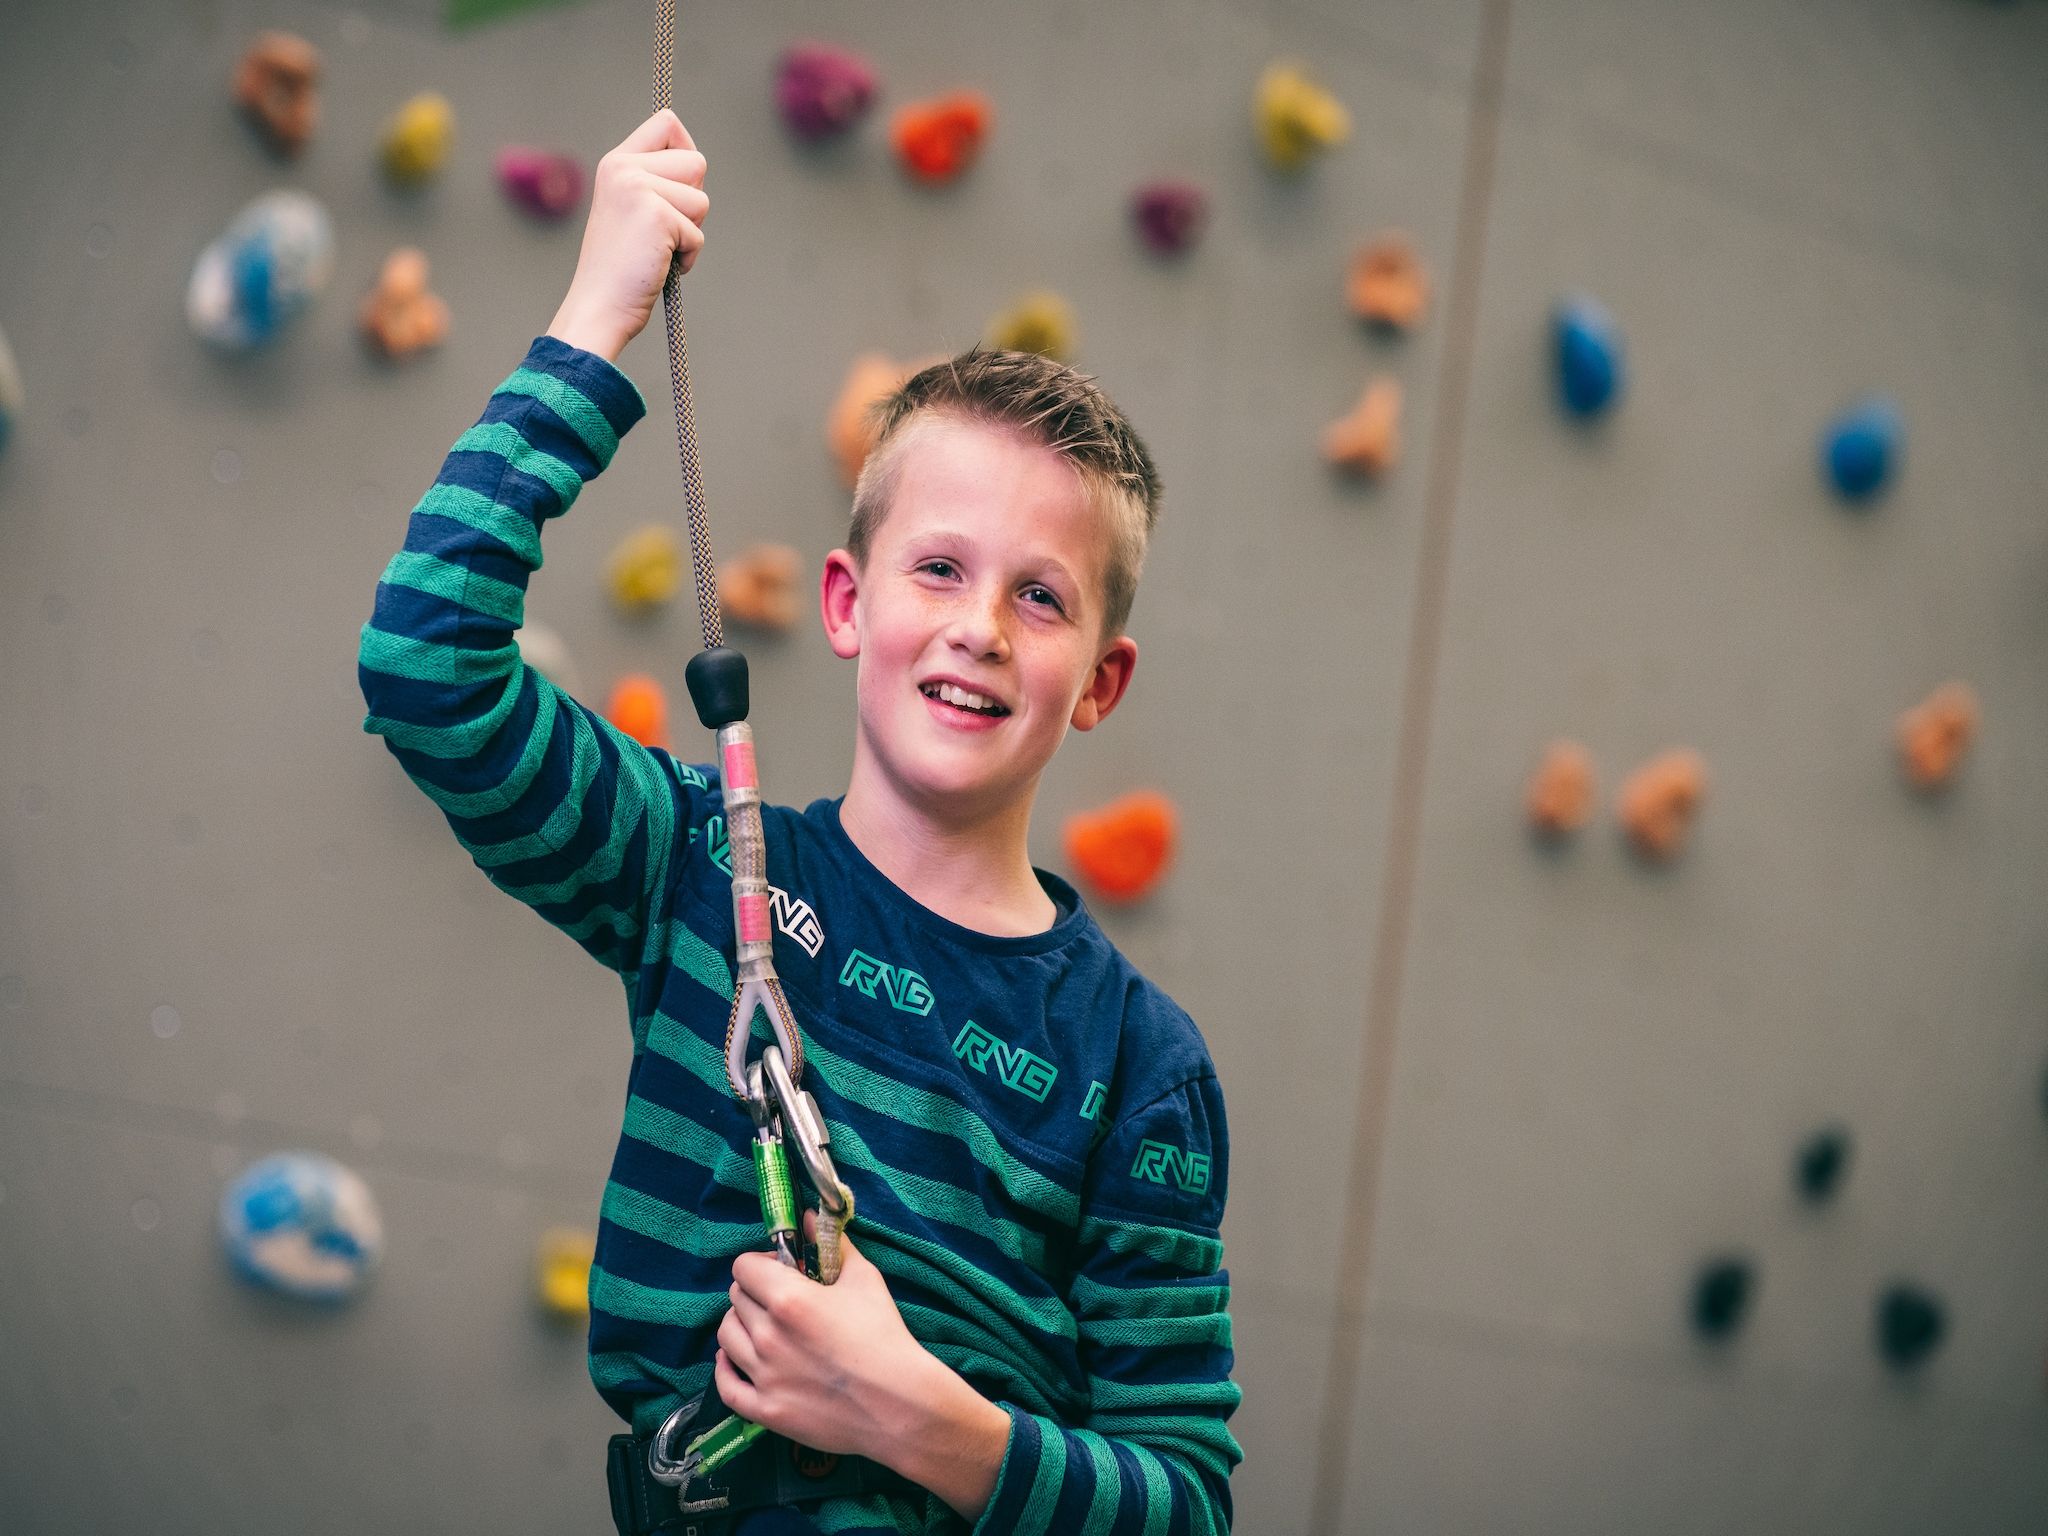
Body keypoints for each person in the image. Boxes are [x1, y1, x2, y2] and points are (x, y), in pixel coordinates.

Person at [357, 107, 1240, 1535]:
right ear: (847, 604)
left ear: (1101, 683)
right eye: (939, 567)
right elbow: (425, 668)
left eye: (1041, 595)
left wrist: (921, 1418)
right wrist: (597, 316)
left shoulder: (1138, 1066)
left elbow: (1184, 1507)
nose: (979, 631)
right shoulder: (699, 870)